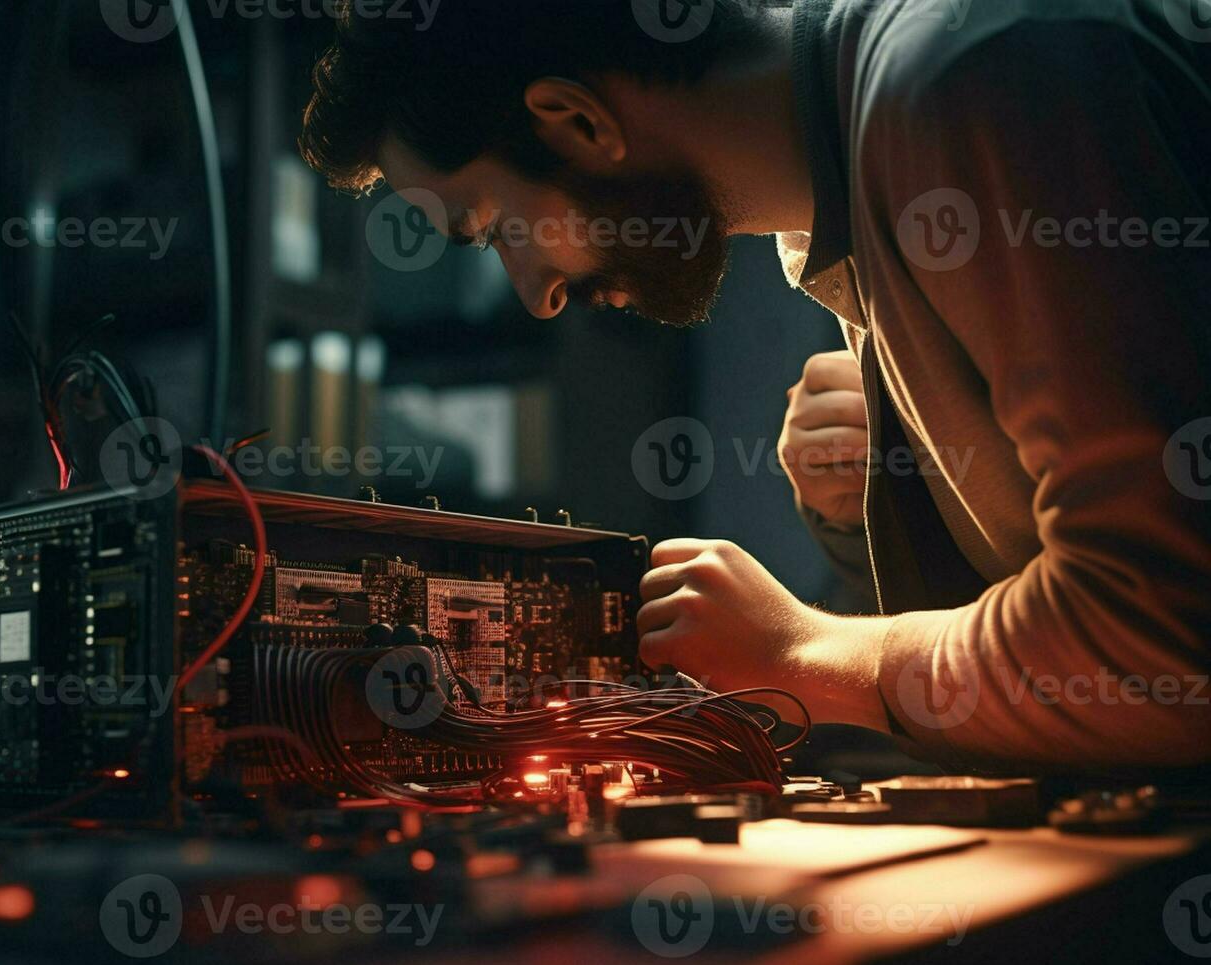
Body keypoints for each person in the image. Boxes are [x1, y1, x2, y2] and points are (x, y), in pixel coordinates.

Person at [298, 0, 1211, 771]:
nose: (536, 295)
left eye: (493, 229)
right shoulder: (845, 202)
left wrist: (807, 653)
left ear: (577, 121)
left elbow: (1163, 641)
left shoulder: (964, 84)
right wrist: (877, 517)